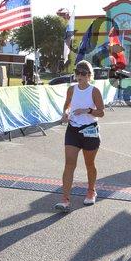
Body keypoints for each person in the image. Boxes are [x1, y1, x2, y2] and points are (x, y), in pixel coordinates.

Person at [55, 60, 105, 212]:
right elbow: (67, 105)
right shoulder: (71, 89)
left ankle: (91, 191)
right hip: (73, 129)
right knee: (69, 164)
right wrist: (65, 113)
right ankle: (65, 199)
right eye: (77, 72)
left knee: (89, 164)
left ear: (89, 75)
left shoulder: (94, 91)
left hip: (90, 130)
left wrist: (87, 110)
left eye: (83, 73)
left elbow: (101, 112)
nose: (80, 76)